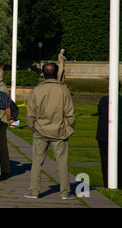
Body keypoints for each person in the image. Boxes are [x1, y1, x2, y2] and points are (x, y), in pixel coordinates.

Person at [25, 63, 76, 199]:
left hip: (40, 130)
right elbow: (70, 113)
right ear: (57, 73)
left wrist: (33, 127)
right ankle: (65, 192)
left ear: (43, 74)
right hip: (59, 131)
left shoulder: (37, 90)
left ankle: (34, 191)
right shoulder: (63, 90)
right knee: (62, 163)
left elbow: (30, 112)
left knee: (36, 162)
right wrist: (68, 127)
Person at [96, 84, 122, 191]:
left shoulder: (103, 100)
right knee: (121, 161)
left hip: (105, 135)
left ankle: (108, 183)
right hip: (119, 134)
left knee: (106, 160)